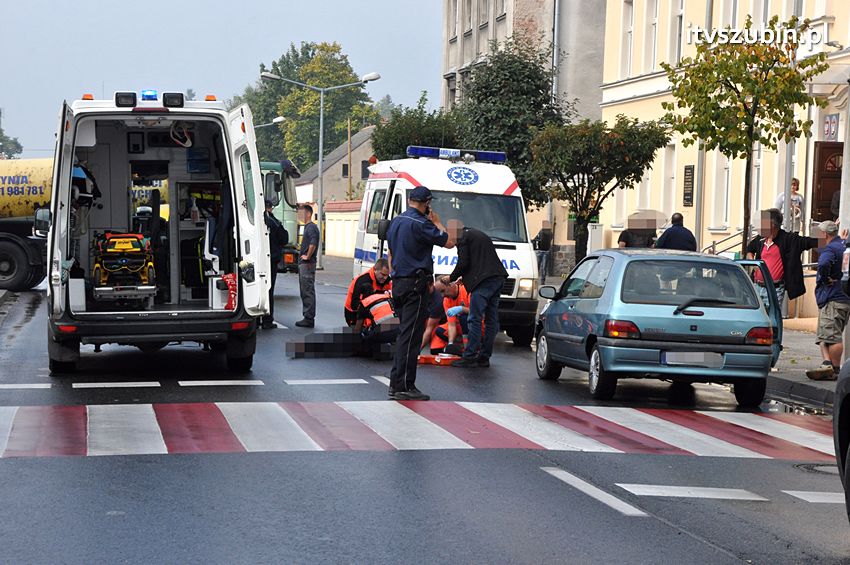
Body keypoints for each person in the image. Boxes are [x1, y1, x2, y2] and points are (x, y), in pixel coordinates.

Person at [385, 186, 454, 400]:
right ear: (427, 203)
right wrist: (437, 222)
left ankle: (396, 384)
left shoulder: (396, 221)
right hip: (415, 285)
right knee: (412, 337)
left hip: (399, 283)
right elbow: (449, 242)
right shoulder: (422, 223)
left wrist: (395, 275)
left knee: (404, 334)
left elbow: (391, 253)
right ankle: (404, 386)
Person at [446, 219, 508, 368]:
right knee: (491, 320)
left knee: (474, 318)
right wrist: (465, 278)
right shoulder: (479, 234)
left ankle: (470, 356)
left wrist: (451, 277)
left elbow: (463, 262)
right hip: (497, 278)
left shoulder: (462, 237)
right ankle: (484, 357)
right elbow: (480, 261)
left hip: (483, 283)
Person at [746, 208, 818, 312]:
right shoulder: (760, 239)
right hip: (756, 286)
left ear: (772, 225)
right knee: (754, 316)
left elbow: (810, 242)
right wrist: (753, 264)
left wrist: (832, 239)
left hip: (774, 289)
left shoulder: (789, 239)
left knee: (772, 318)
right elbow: (749, 249)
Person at [808, 221, 850, 380]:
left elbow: (824, 263)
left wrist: (825, 279)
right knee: (827, 334)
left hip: (832, 297)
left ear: (825, 234)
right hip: (844, 297)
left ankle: (835, 370)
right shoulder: (843, 246)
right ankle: (828, 364)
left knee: (832, 336)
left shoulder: (830, 249)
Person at [262, 200, 289, 329]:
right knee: (269, 289)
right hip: (271, 259)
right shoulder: (273, 222)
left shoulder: (254, 219)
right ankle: (267, 320)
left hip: (257, 259)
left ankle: (255, 318)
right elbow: (284, 239)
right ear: (270, 208)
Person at [345, 259, 392, 328]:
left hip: (373, 313)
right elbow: (354, 305)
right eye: (383, 274)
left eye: (387, 275)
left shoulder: (388, 281)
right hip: (353, 314)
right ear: (375, 270)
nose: (385, 278)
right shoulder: (362, 281)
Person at [433, 275, 472, 356]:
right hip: (460, 326)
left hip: (478, 325)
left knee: (463, 317)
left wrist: (462, 309)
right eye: (440, 292)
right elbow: (451, 324)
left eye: (443, 291)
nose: (442, 295)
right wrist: (450, 343)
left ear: (450, 285)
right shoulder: (446, 300)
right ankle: (458, 346)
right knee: (440, 330)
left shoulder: (466, 290)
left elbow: (479, 312)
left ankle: (469, 351)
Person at [295, 205, 320, 328]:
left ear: (309, 214)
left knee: (307, 290)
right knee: (305, 290)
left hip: (307, 264)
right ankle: (307, 316)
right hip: (306, 264)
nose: (299, 215)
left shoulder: (311, 228)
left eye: (301, 212)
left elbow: (313, 243)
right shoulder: (309, 227)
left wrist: (307, 256)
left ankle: (309, 318)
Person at [533, 220, 553, 285]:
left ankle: (541, 280)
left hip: (543, 251)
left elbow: (537, 239)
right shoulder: (543, 232)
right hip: (543, 251)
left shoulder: (547, 233)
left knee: (541, 267)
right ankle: (540, 280)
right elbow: (537, 239)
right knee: (541, 267)